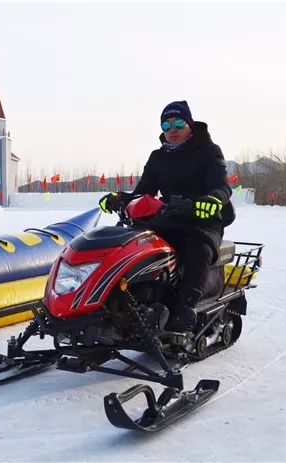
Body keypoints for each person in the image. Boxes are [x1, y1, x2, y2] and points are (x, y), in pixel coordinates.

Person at [99, 100, 234, 332]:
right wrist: (120, 199)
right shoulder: (158, 157)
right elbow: (143, 192)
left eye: (179, 123)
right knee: (136, 244)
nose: (172, 129)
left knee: (196, 249)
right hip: (168, 216)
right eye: (166, 124)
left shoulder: (209, 152)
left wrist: (212, 200)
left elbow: (221, 186)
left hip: (202, 220)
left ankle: (186, 306)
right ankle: (128, 301)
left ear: (190, 124)